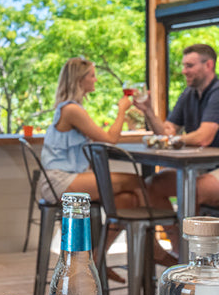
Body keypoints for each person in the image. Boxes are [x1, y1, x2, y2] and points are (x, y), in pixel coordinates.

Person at [133, 43, 219, 258]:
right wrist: (148, 111)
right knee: (152, 186)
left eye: (189, 66)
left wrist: (171, 141)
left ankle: (198, 259)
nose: (184, 71)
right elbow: (167, 131)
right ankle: (182, 252)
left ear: (209, 65)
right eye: (183, 66)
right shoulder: (189, 94)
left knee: (190, 191)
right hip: (202, 170)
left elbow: (203, 137)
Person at [39, 58, 147, 240]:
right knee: (138, 182)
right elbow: (110, 139)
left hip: (65, 177)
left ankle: (99, 260)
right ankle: (155, 247)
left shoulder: (72, 108)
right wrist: (122, 111)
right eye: (92, 75)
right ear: (79, 80)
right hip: (59, 181)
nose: (96, 80)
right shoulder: (72, 110)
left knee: (127, 201)